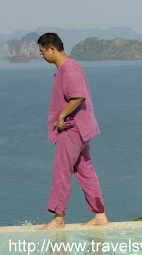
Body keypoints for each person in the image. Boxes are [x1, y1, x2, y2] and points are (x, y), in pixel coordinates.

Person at [37, 33, 108, 230]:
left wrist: (61, 117)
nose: (41, 55)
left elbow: (78, 96)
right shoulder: (71, 65)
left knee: (62, 170)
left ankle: (59, 219)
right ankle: (100, 216)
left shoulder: (67, 68)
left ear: (52, 48)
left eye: (42, 51)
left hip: (72, 129)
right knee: (85, 170)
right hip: (82, 129)